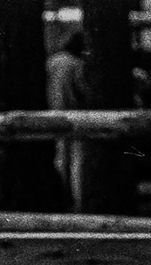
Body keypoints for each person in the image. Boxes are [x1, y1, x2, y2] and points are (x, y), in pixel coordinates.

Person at [48, 32, 92, 209]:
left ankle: (61, 198)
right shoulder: (77, 64)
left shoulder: (53, 61)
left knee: (60, 160)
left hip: (54, 113)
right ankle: (76, 202)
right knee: (76, 162)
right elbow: (80, 88)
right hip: (74, 116)